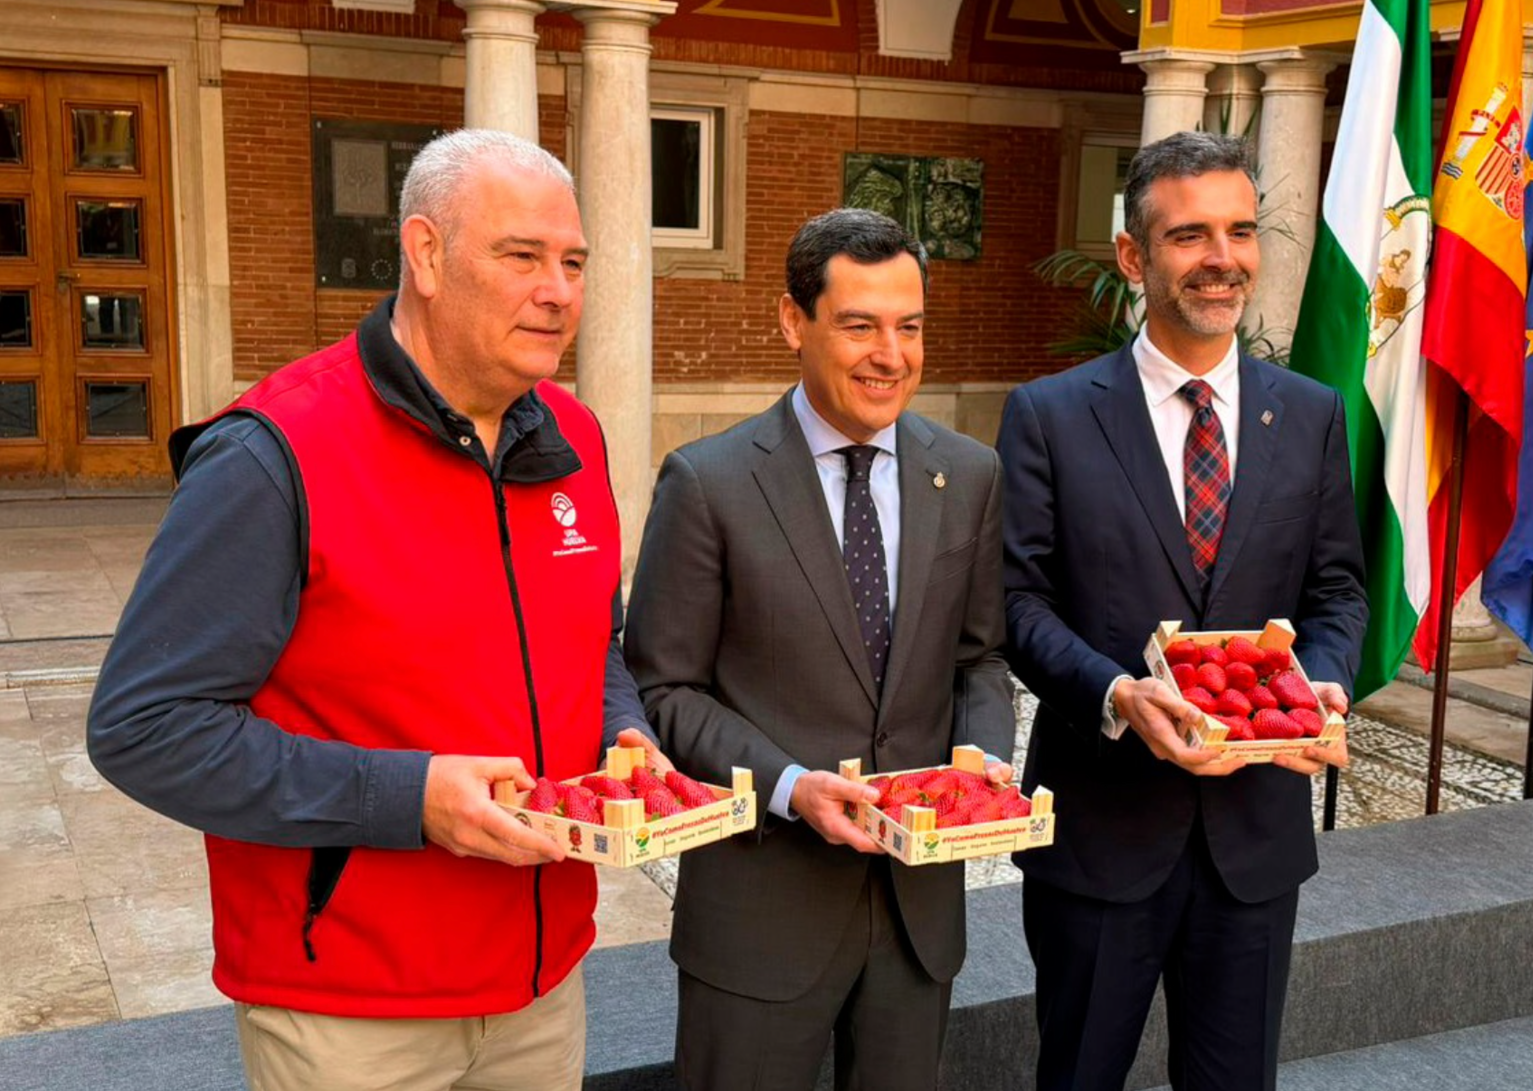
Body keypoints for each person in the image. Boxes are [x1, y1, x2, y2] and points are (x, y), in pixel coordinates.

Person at [87, 129, 663, 1091]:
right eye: (521, 255)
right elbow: (144, 728)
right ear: (426, 255)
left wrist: (621, 728)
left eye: (573, 262)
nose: (558, 291)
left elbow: (591, 643)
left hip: (543, 987)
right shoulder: (274, 451)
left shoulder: (575, 435)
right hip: (349, 1008)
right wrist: (408, 798)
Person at [996, 130, 1369, 1090]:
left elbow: (1336, 589)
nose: (1222, 258)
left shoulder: (1312, 414)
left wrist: (1322, 683)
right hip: (1102, 836)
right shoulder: (1050, 415)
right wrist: (1117, 693)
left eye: (1240, 231)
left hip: (1255, 842)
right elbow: (1019, 602)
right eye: (1190, 234)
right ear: (1134, 255)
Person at [627, 207, 1015, 1091]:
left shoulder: (969, 473)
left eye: (909, 327)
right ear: (793, 321)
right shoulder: (708, 481)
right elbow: (666, 688)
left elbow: (979, 658)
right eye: (860, 325)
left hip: (916, 913)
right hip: (763, 909)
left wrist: (983, 763)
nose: (891, 354)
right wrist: (792, 786)